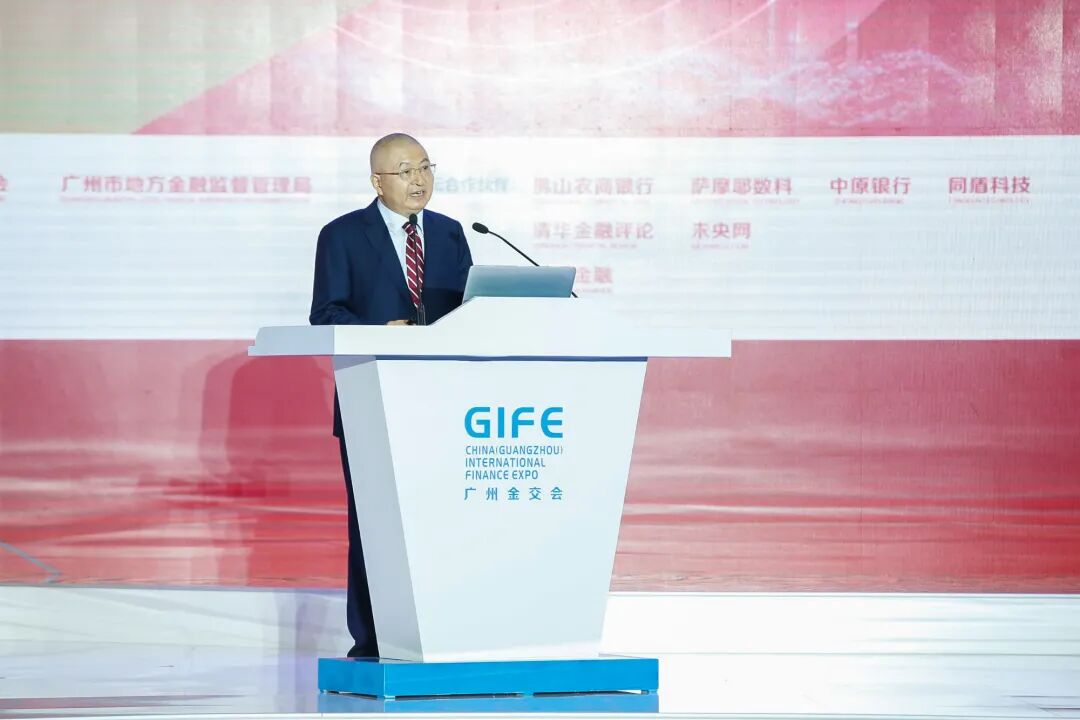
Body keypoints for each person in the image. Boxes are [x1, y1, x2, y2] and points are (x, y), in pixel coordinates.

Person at [309, 133, 473, 657]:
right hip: (372, 398)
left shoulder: (450, 233)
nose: (419, 180)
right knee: (374, 524)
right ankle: (372, 639)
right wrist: (381, 332)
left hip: (441, 404)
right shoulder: (341, 236)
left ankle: (443, 626)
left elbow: (468, 313)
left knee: (440, 519)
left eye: (425, 167)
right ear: (377, 182)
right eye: (405, 171)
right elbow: (325, 313)